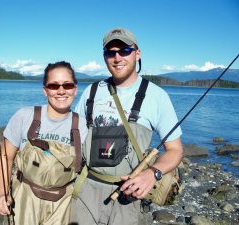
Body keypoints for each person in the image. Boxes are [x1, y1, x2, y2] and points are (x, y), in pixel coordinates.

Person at [70, 28, 183, 225]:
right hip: (85, 191)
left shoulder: (157, 96)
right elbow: (73, 138)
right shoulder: (92, 91)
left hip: (127, 196)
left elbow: (175, 150)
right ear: (104, 56)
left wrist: (152, 174)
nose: (117, 57)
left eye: (124, 51)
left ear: (137, 53)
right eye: (110, 52)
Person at [0, 61, 88, 225]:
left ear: (75, 89)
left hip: (64, 204)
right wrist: (3, 194)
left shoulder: (83, 125)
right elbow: (5, 157)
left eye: (67, 85)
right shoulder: (24, 116)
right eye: (53, 86)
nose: (61, 91)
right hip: (23, 198)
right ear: (45, 90)